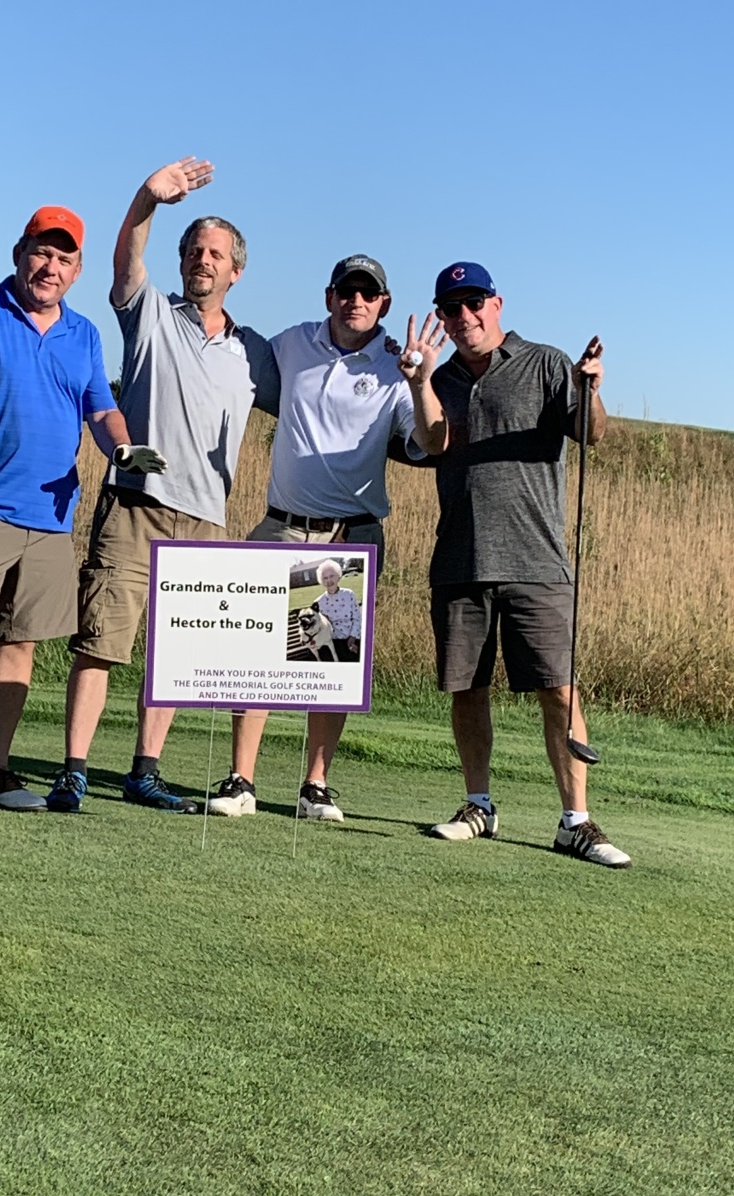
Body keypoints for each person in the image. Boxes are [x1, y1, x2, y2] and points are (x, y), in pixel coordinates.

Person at [0, 207, 165, 818]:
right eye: (41, 253)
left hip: (51, 515)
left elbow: (101, 409)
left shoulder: (84, 334)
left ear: (76, 271)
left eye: (64, 258)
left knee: (20, 642)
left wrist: (121, 446)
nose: (50, 267)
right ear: (20, 253)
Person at [47, 158, 280, 815]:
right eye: (194, 250)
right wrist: (147, 199)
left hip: (205, 520)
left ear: (236, 270)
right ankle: (74, 770)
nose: (202, 260)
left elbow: (315, 405)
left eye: (215, 254)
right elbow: (126, 260)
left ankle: (144, 771)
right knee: (101, 639)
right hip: (135, 505)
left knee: (176, 658)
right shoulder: (149, 314)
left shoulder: (254, 351)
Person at [209, 255, 448, 822]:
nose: (356, 301)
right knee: (254, 655)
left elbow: (433, 442)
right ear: (329, 295)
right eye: (347, 290)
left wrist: (421, 380)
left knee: (329, 663)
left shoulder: (398, 368)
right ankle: (242, 777)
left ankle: (315, 784)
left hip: (350, 532)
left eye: (368, 294)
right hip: (283, 522)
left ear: (383, 304)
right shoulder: (291, 345)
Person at [422, 261, 631, 867]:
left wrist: (591, 386)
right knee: (468, 689)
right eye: (452, 308)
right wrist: (419, 380)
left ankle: (576, 821)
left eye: (474, 303)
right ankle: (478, 805)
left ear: (497, 304)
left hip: (537, 561)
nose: (465, 317)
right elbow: (430, 441)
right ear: (441, 316)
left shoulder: (544, 363)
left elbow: (591, 433)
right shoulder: (440, 378)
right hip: (460, 556)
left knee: (559, 692)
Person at [311, 558, 361, 662]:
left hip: (353, 637)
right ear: (321, 581)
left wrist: (352, 638)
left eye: (331, 576)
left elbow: (357, 618)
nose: (329, 581)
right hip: (333, 643)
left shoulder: (349, 594)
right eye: (325, 578)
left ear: (338, 576)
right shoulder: (318, 603)